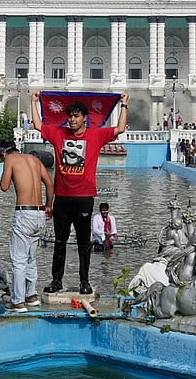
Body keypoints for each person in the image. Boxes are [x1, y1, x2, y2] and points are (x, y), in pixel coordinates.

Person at [31, 90, 128, 295]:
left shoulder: (95, 135)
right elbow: (38, 125)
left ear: (85, 118)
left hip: (84, 198)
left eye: (76, 116)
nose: (72, 120)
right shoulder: (59, 133)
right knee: (60, 242)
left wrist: (124, 104)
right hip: (62, 198)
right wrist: (34, 101)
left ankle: (84, 281)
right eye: (70, 116)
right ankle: (56, 280)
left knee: (84, 243)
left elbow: (120, 128)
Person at [0, 142, 54, 312]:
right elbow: (50, 184)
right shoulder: (35, 159)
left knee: (18, 260)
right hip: (39, 214)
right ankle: (31, 296)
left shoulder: (10, 159)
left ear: (4, 153)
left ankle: (18, 302)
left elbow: (4, 186)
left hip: (24, 213)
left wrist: (6, 169)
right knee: (31, 257)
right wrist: (48, 206)